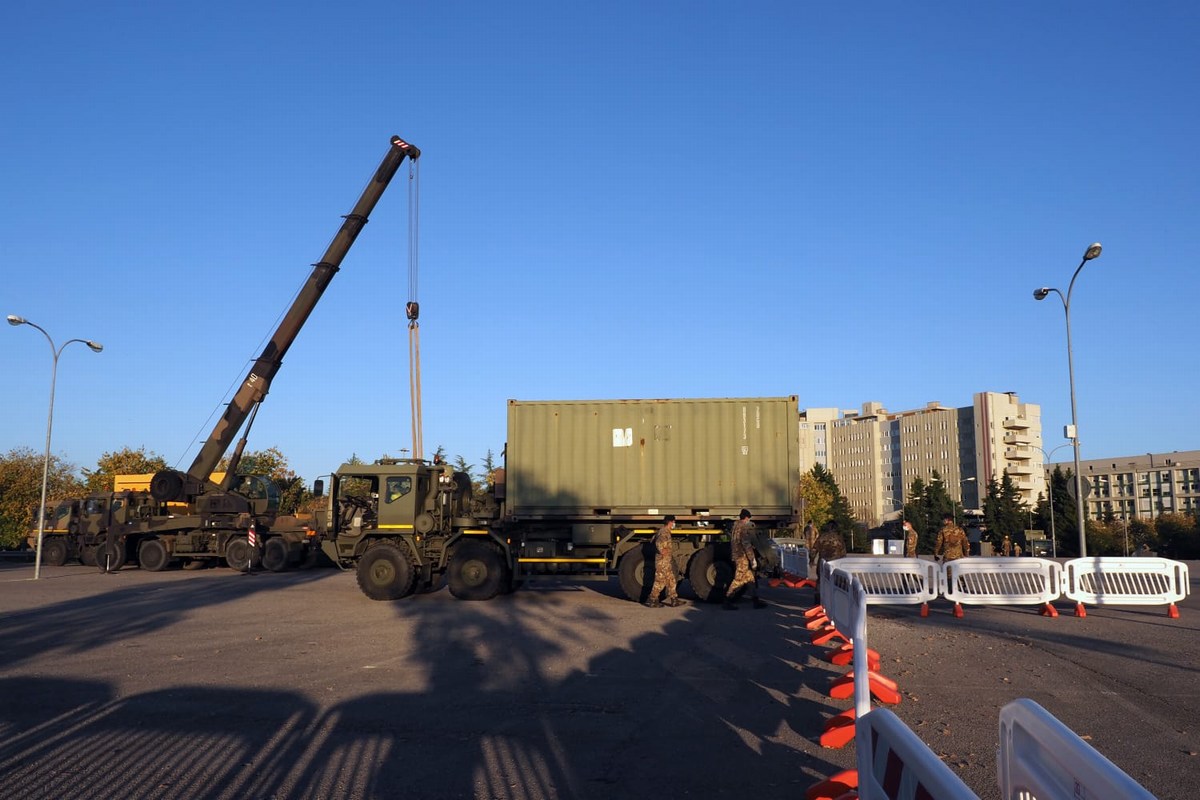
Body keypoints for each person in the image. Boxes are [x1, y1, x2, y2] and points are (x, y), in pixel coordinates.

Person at [724, 509, 767, 610]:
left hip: (737, 555)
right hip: (741, 557)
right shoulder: (743, 528)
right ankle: (727, 600)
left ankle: (755, 601)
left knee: (750, 578)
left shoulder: (735, 526)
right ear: (746, 518)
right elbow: (746, 545)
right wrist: (753, 560)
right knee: (738, 580)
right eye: (748, 519)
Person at [645, 515, 685, 608]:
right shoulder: (664, 532)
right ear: (670, 522)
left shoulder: (665, 531)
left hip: (666, 561)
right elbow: (659, 543)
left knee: (671, 580)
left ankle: (674, 599)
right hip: (662, 561)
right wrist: (662, 550)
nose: (674, 524)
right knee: (660, 581)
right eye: (673, 522)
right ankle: (653, 599)